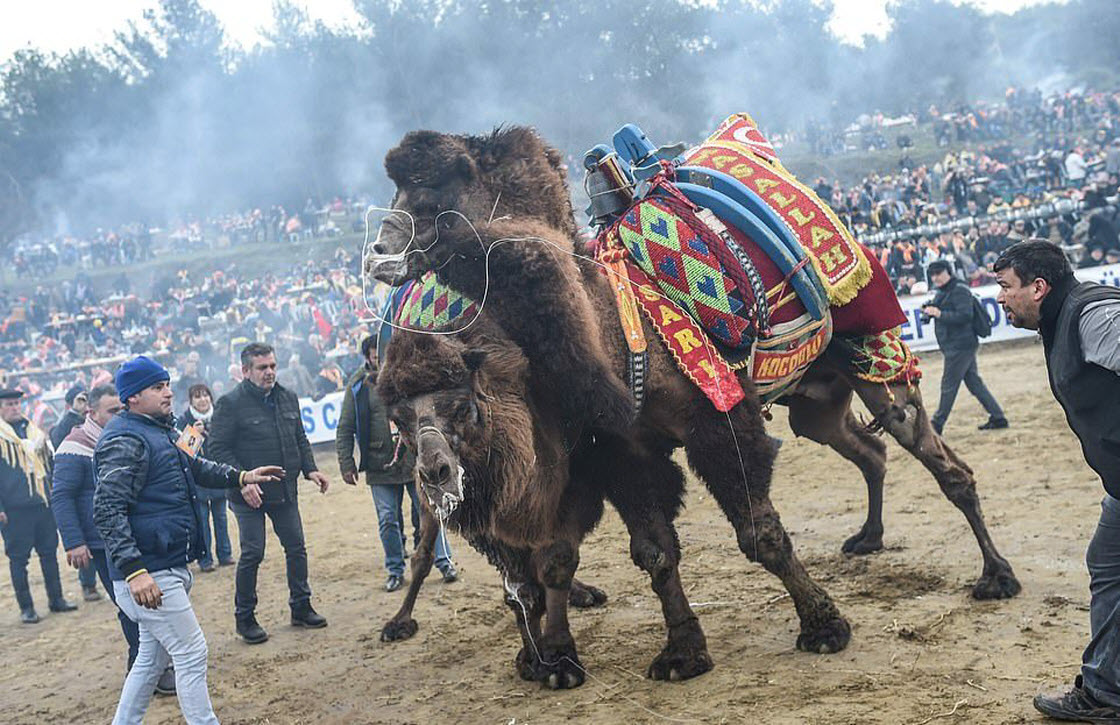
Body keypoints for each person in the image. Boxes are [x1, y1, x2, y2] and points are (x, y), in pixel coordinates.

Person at [93, 355, 282, 724]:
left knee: (151, 658)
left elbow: (197, 467)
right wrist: (135, 572)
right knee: (191, 651)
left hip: (162, 564)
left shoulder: (163, 428)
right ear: (132, 397)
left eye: (166, 384)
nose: (168, 392)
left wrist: (242, 477)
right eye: (157, 387)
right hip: (150, 570)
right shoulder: (125, 438)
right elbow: (107, 510)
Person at [993, 241, 1120, 721]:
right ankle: (1105, 693)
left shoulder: (1094, 316)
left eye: (1006, 287)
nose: (1000, 297)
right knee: (1108, 566)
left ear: (1038, 287)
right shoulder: (1059, 320)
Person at [52, 384, 178, 694]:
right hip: (100, 541)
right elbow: (62, 496)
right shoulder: (75, 445)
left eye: (121, 409)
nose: (119, 415)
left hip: (133, 532)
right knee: (133, 608)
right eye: (112, 411)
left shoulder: (129, 437)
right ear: (91, 413)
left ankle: (154, 665)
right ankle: (147, 669)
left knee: (152, 601)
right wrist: (73, 541)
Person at [209, 342, 329, 644]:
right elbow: (217, 449)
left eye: (273, 366)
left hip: (284, 489)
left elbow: (298, 436)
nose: (270, 372)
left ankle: (301, 607)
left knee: (297, 547)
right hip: (248, 494)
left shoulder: (287, 397)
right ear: (246, 370)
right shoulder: (229, 403)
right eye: (263, 368)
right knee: (253, 553)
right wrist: (242, 481)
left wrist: (310, 468)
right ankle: (245, 618)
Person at [336, 335, 457, 592]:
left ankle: (444, 562)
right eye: (374, 354)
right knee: (388, 519)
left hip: (413, 461)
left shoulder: (408, 375)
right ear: (367, 356)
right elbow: (345, 426)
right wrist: (346, 462)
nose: (379, 358)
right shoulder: (358, 385)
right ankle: (395, 569)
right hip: (379, 465)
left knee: (430, 514)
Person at [0, 388, 76, 623]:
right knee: (18, 559)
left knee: (49, 554)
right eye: (9, 404)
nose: (14, 408)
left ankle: (57, 599)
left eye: (16, 403)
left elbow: (49, 464)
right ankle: (27, 608)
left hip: (42, 504)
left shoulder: (34, 432)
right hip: (13, 510)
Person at [921, 259, 1009, 435]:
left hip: (960, 345)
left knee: (948, 385)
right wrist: (930, 310)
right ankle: (998, 418)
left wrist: (939, 313)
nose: (935, 277)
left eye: (939, 273)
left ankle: (937, 424)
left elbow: (965, 315)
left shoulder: (959, 289)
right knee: (974, 383)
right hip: (956, 345)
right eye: (933, 274)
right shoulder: (943, 291)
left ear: (948, 272)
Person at [179, 384, 232, 573]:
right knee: (202, 522)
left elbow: (225, 442)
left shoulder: (219, 415)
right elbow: (184, 452)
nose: (202, 399)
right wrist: (195, 434)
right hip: (197, 480)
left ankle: (225, 555)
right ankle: (205, 559)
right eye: (197, 396)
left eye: (205, 395)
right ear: (191, 400)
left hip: (217, 476)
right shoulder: (184, 419)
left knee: (221, 518)